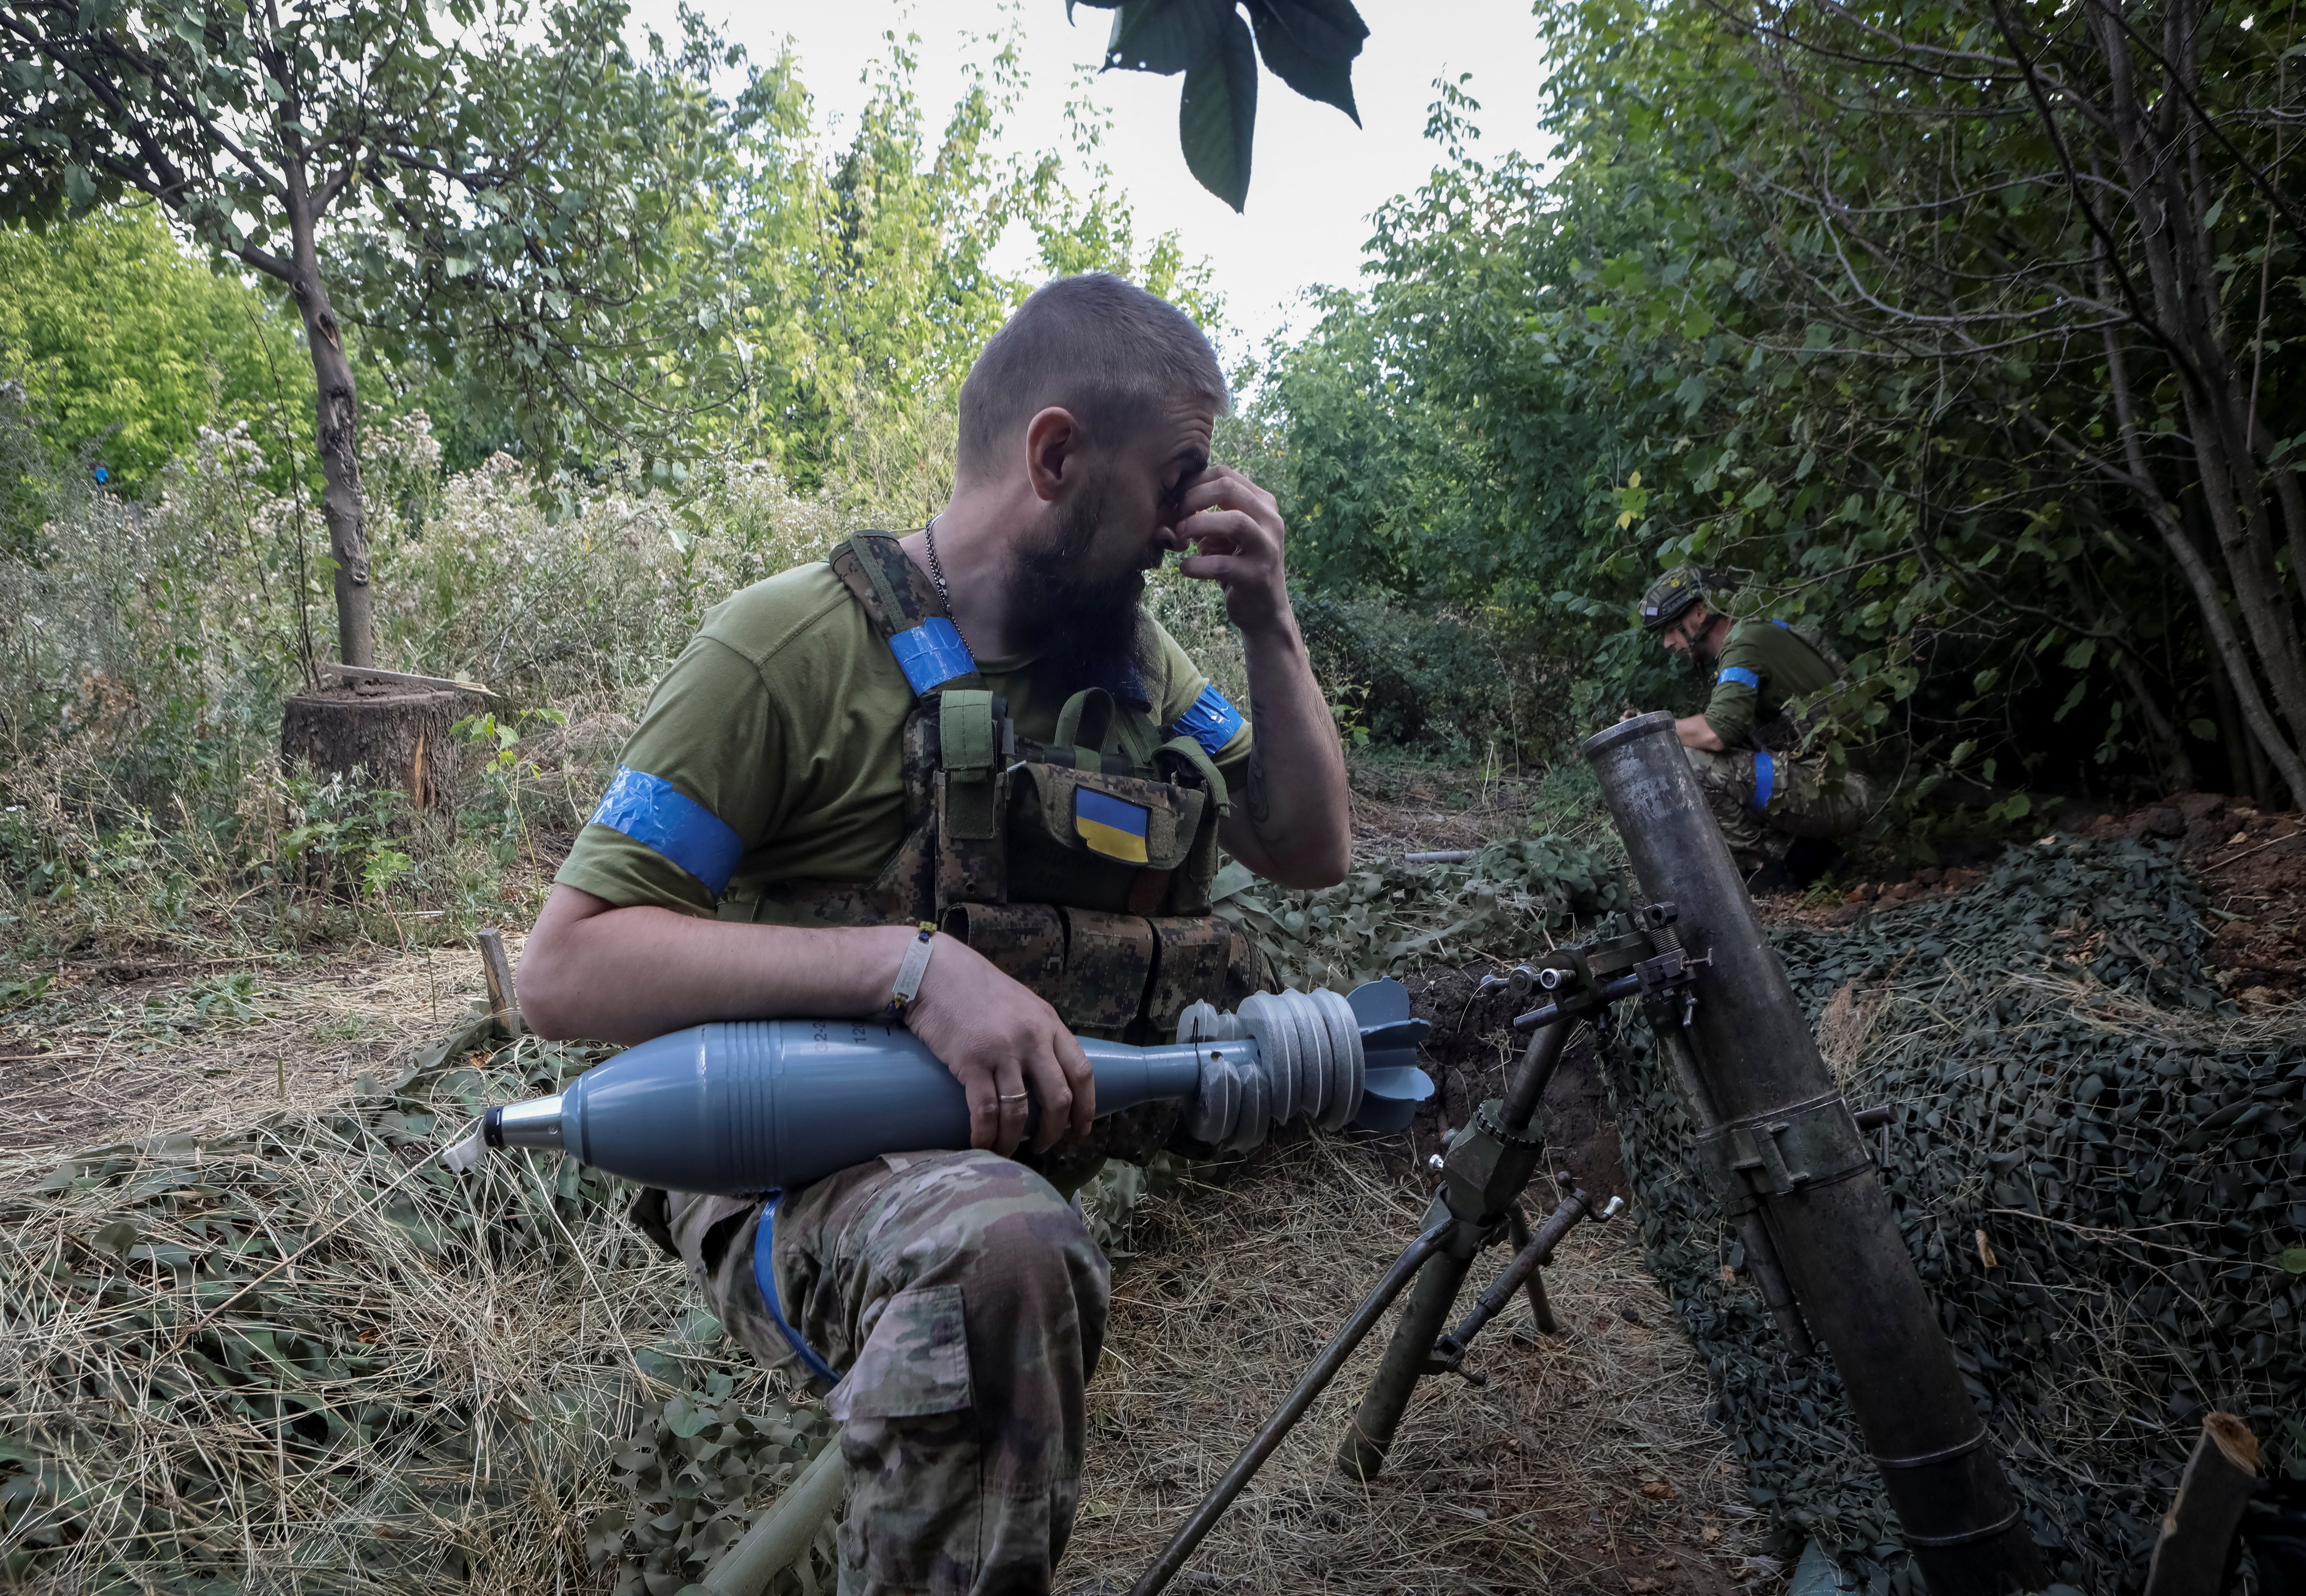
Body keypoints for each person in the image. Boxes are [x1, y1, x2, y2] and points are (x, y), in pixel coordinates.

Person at [516, 273, 1352, 1595]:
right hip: (780, 1152)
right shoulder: (785, 646)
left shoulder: (1135, 671)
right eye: (1175, 479)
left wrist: (1269, 621)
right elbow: (562, 972)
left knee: (1001, 1232)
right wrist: (909, 968)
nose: (1187, 523)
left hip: (988, 1149)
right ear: (1056, 454)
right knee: (1000, 1252)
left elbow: (1306, 848)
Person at [1625, 566, 1872, 884]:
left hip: (1845, 791)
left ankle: (1763, 873)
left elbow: (1716, 733)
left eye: (1670, 630)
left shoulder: (1744, 647)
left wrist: (1650, 730)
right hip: (1836, 781)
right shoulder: (1764, 633)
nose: (1668, 644)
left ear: (1699, 614)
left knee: (1690, 762)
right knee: (1723, 756)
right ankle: (1810, 858)